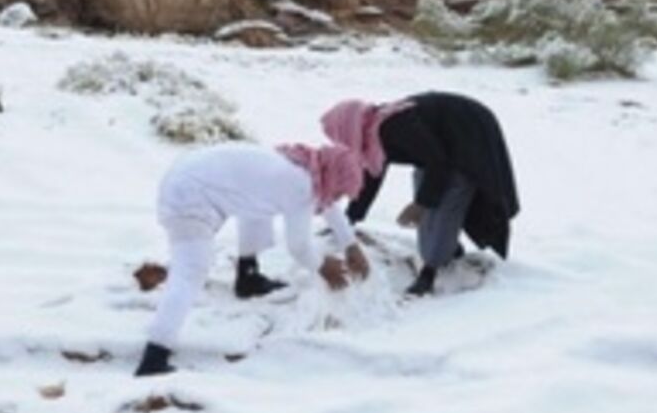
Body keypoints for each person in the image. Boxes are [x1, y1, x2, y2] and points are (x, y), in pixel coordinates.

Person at [135, 141, 372, 377]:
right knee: (190, 272)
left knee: (257, 208)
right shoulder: (300, 185)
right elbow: (298, 246)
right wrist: (322, 266)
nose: (338, 198)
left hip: (188, 178)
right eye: (341, 191)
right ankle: (154, 355)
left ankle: (248, 277)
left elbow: (325, 203)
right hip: (189, 196)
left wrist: (350, 244)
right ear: (333, 176)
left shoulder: (302, 166)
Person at [321, 93, 519, 297]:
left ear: (349, 127)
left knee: (449, 195)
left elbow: (439, 164)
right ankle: (447, 248)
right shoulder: (374, 132)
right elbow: (372, 177)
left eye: (339, 136)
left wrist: (420, 205)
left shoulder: (395, 126)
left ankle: (429, 273)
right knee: (427, 186)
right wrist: (348, 222)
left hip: (469, 133)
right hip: (441, 150)